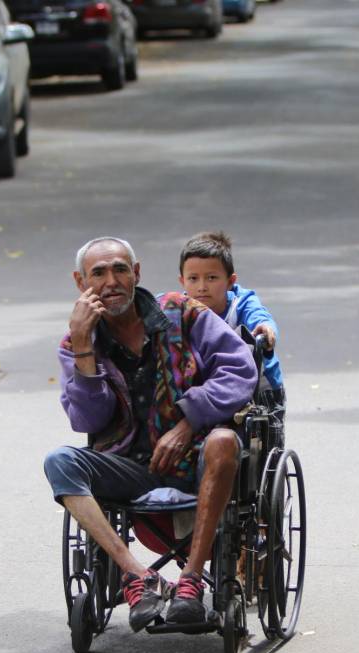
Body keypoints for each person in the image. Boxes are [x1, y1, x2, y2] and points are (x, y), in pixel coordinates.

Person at [44, 236, 257, 632]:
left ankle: (191, 580)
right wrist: (83, 349)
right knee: (59, 461)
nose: (111, 281)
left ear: (136, 273)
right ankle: (138, 577)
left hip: (197, 457)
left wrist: (188, 421)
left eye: (120, 270)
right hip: (128, 464)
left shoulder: (181, 312)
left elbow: (240, 369)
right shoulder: (76, 344)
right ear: (81, 282)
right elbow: (89, 420)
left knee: (226, 440)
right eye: (99, 273)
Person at [178, 230, 286, 448]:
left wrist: (264, 328)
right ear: (182, 281)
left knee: (264, 447)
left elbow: (260, 318)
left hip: (260, 388)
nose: (201, 287)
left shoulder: (241, 303)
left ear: (230, 281)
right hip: (208, 385)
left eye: (212, 278)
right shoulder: (178, 307)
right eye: (193, 279)